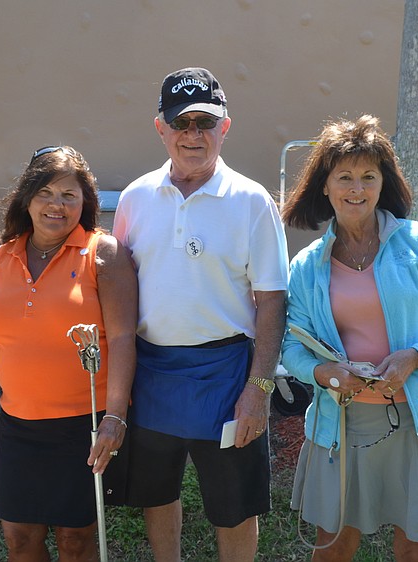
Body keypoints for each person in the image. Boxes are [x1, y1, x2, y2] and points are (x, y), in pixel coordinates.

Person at [280, 115, 418, 562]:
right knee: (332, 548)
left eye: (368, 176)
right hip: (343, 424)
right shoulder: (307, 266)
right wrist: (323, 373)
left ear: (382, 183)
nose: (357, 189)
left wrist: (415, 356)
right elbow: (292, 345)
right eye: (345, 177)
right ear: (325, 186)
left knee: (417, 551)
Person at [112, 67, 289, 562]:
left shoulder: (252, 201)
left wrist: (259, 389)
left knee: (235, 507)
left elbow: (273, 300)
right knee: (156, 494)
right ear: (161, 128)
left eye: (205, 122)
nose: (193, 134)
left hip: (227, 374)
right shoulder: (135, 198)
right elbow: (121, 289)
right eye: (181, 122)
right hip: (151, 371)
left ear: (224, 127)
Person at [0, 145, 138, 562]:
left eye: (69, 195)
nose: (57, 205)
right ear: (27, 199)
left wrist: (115, 417)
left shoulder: (103, 254)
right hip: (17, 427)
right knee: (19, 538)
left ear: (84, 202)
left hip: (83, 427)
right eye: (45, 193)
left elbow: (124, 339)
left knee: (75, 540)